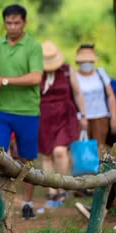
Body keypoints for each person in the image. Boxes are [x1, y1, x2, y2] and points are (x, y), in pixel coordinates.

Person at [0, 4, 43, 220]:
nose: (12, 26)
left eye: (17, 22)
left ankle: (27, 203)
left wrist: (3, 81)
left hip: (26, 111)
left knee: (26, 159)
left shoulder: (33, 46)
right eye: (8, 23)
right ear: (3, 23)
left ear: (24, 23)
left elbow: (35, 78)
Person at [37, 41, 85, 206]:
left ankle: (62, 186)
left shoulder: (66, 71)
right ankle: (51, 191)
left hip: (64, 115)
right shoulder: (36, 72)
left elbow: (77, 93)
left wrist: (83, 114)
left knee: (60, 151)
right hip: (43, 116)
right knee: (46, 154)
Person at [74, 44, 116, 150]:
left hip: (100, 117)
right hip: (81, 119)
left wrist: (113, 118)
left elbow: (111, 96)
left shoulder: (100, 73)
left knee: (100, 148)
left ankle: (99, 166)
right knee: (83, 149)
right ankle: (83, 167)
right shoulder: (74, 76)